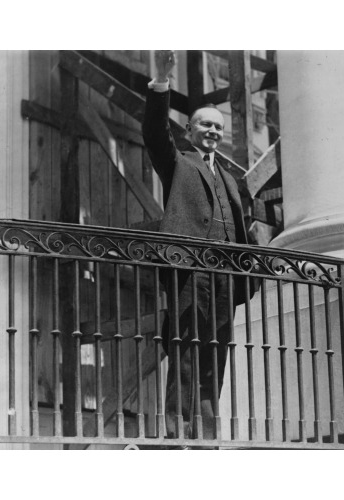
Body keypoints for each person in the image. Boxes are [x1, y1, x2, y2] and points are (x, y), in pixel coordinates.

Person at [142, 50, 251, 441]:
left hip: (224, 279)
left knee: (214, 361)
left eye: (218, 128)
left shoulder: (230, 179)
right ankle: (179, 439)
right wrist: (161, 84)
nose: (213, 132)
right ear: (190, 130)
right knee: (186, 358)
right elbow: (155, 134)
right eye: (205, 125)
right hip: (190, 275)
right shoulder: (180, 163)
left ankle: (205, 438)